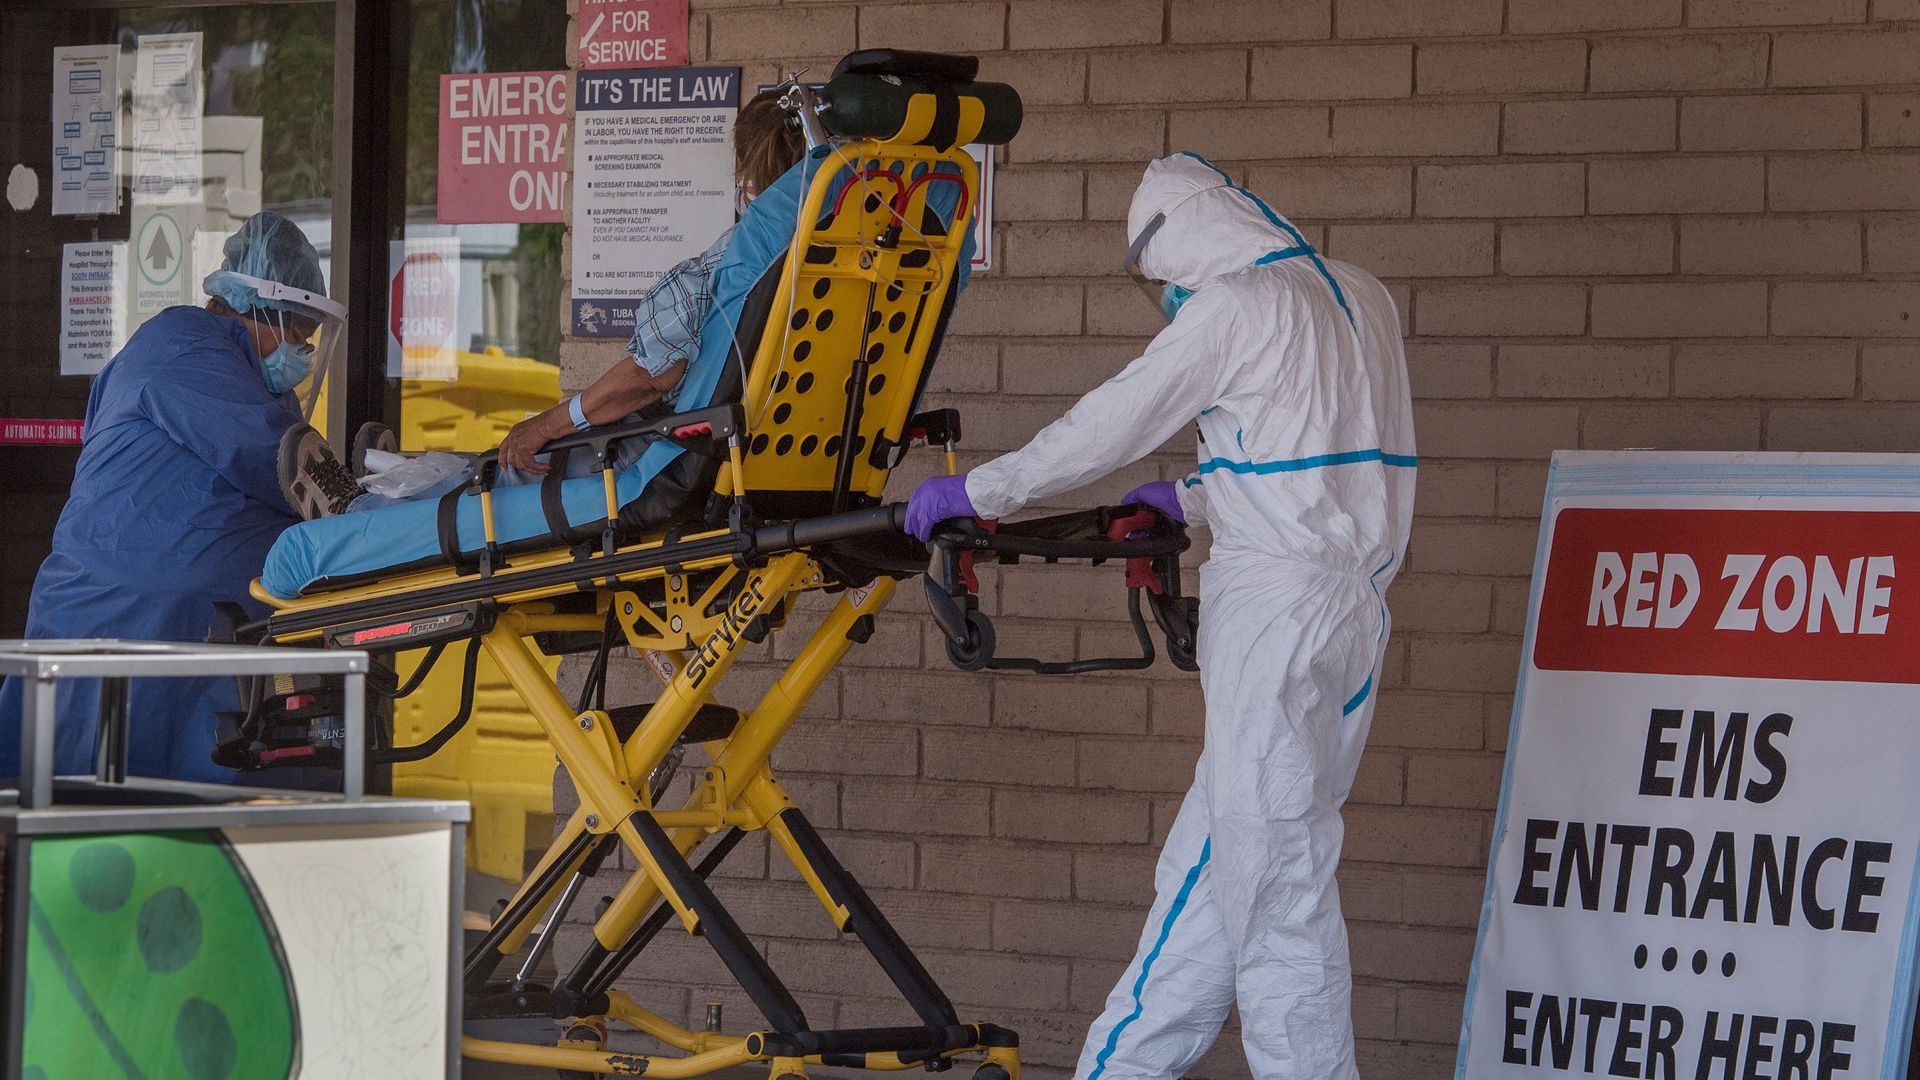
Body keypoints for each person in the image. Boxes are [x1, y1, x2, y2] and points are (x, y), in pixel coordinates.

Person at [904, 153, 1416, 1080]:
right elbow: (1327, 462)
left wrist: (985, 490)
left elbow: (1114, 419)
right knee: (1214, 878)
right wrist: (1195, 497)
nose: (1168, 299)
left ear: (1180, 247)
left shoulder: (1236, 306)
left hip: (1274, 621)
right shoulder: (1362, 297)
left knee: (1274, 895)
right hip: (1353, 621)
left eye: (1162, 283)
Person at [278, 88, 807, 519]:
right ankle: (397, 477)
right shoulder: (814, 266)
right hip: (739, 463)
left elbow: (651, 376)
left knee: (508, 468)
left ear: (746, 175)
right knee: (490, 464)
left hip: (649, 462)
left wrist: (548, 425)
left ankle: (358, 512)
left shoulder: (733, 265)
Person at [0, 211, 346, 784]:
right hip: (119, 624)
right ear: (255, 308)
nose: (302, 352)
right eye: (295, 334)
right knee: (90, 824)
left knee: (158, 827)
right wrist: (371, 508)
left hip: (174, 632)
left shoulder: (238, 372)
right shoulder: (187, 351)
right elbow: (286, 467)